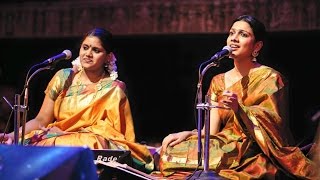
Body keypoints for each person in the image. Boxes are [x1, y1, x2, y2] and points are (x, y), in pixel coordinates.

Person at [159, 15, 318, 179]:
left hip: (253, 147)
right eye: (231, 33)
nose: (234, 39)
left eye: (243, 34)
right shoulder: (218, 81)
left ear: (257, 46)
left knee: (237, 158)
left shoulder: (270, 78)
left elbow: (274, 125)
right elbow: (210, 132)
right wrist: (187, 134)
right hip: (223, 146)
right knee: (170, 150)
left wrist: (239, 109)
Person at [0, 27, 154, 173]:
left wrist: (65, 132)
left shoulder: (114, 88)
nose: (88, 54)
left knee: (80, 143)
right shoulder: (63, 77)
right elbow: (41, 119)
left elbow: (114, 135)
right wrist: (11, 136)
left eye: (96, 50)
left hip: (88, 141)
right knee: (35, 144)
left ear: (108, 57)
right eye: (85, 47)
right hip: (55, 136)